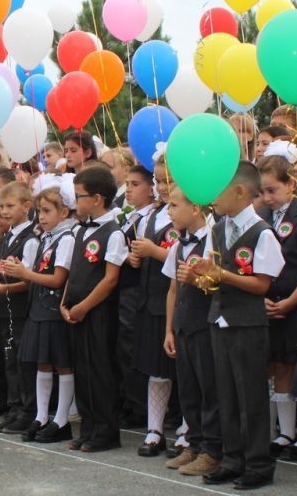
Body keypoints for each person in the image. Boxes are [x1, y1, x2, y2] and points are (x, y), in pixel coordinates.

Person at [189, 161, 285, 490]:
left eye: (218, 190)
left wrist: (222, 275)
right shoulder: (216, 228)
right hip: (219, 319)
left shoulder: (262, 232)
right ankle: (233, 458)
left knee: (250, 395)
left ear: (240, 191)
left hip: (247, 323)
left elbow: (262, 285)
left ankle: (258, 462)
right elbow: (211, 275)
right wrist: (200, 277)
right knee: (225, 393)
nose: (211, 197)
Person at [255, 142, 297, 459]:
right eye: (263, 191)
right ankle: (285, 432)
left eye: (273, 190)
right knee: (279, 366)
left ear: (291, 184)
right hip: (270, 304)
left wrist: (292, 301)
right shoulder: (262, 216)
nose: (267, 197)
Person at [0, 175, 78, 443]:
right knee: (42, 363)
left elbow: (58, 279)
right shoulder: (45, 238)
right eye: (39, 212)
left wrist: (25, 273)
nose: (41, 217)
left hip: (54, 311)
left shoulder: (66, 237)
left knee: (62, 364)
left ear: (64, 212)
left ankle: (61, 419)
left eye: (47, 211)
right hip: (39, 310)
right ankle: (42, 416)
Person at [62, 167, 127, 452]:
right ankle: (88, 426)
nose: (75, 201)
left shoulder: (113, 233)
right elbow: (74, 272)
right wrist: (65, 303)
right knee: (82, 370)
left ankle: (105, 431)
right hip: (76, 311)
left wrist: (85, 307)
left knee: (100, 370)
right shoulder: (80, 229)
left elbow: (110, 279)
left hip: (98, 313)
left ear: (97, 198)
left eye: (79, 196)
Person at [162, 185, 222, 476]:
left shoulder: (213, 239)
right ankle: (194, 443)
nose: (169, 211)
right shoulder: (177, 245)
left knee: (209, 389)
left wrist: (198, 278)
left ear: (196, 209)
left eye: (174, 206)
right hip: (184, 326)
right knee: (188, 389)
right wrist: (169, 331)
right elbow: (173, 290)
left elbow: (217, 284)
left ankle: (213, 450)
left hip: (205, 325)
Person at [129, 155, 177, 457]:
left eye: (167, 181)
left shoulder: (188, 213)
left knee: (179, 370)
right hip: (149, 300)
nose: (161, 187)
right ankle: (154, 428)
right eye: (158, 181)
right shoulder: (153, 215)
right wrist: (137, 257)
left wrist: (155, 252)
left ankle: (186, 428)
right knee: (154, 369)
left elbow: (186, 258)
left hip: (173, 301)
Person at [0, 181, 38, 435]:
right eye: (1, 206)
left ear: (26, 207)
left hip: (21, 309)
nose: (4, 211)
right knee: (10, 360)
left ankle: (28, 410)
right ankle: (15, 408)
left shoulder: (30, 238)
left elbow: (28, 279)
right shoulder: (7, 237)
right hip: (5, 310)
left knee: (21, 361)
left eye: (10, 206)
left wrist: (2, 288)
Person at [116, 164, 155, 428]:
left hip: (138, 289)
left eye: (135, 184)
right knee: (123, 347)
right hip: (125, 287)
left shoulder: (151, 218)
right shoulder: (130, 216)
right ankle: (129, 401)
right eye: (127, 184)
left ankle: (139, 405)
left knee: (133, 345)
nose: (128, 189)